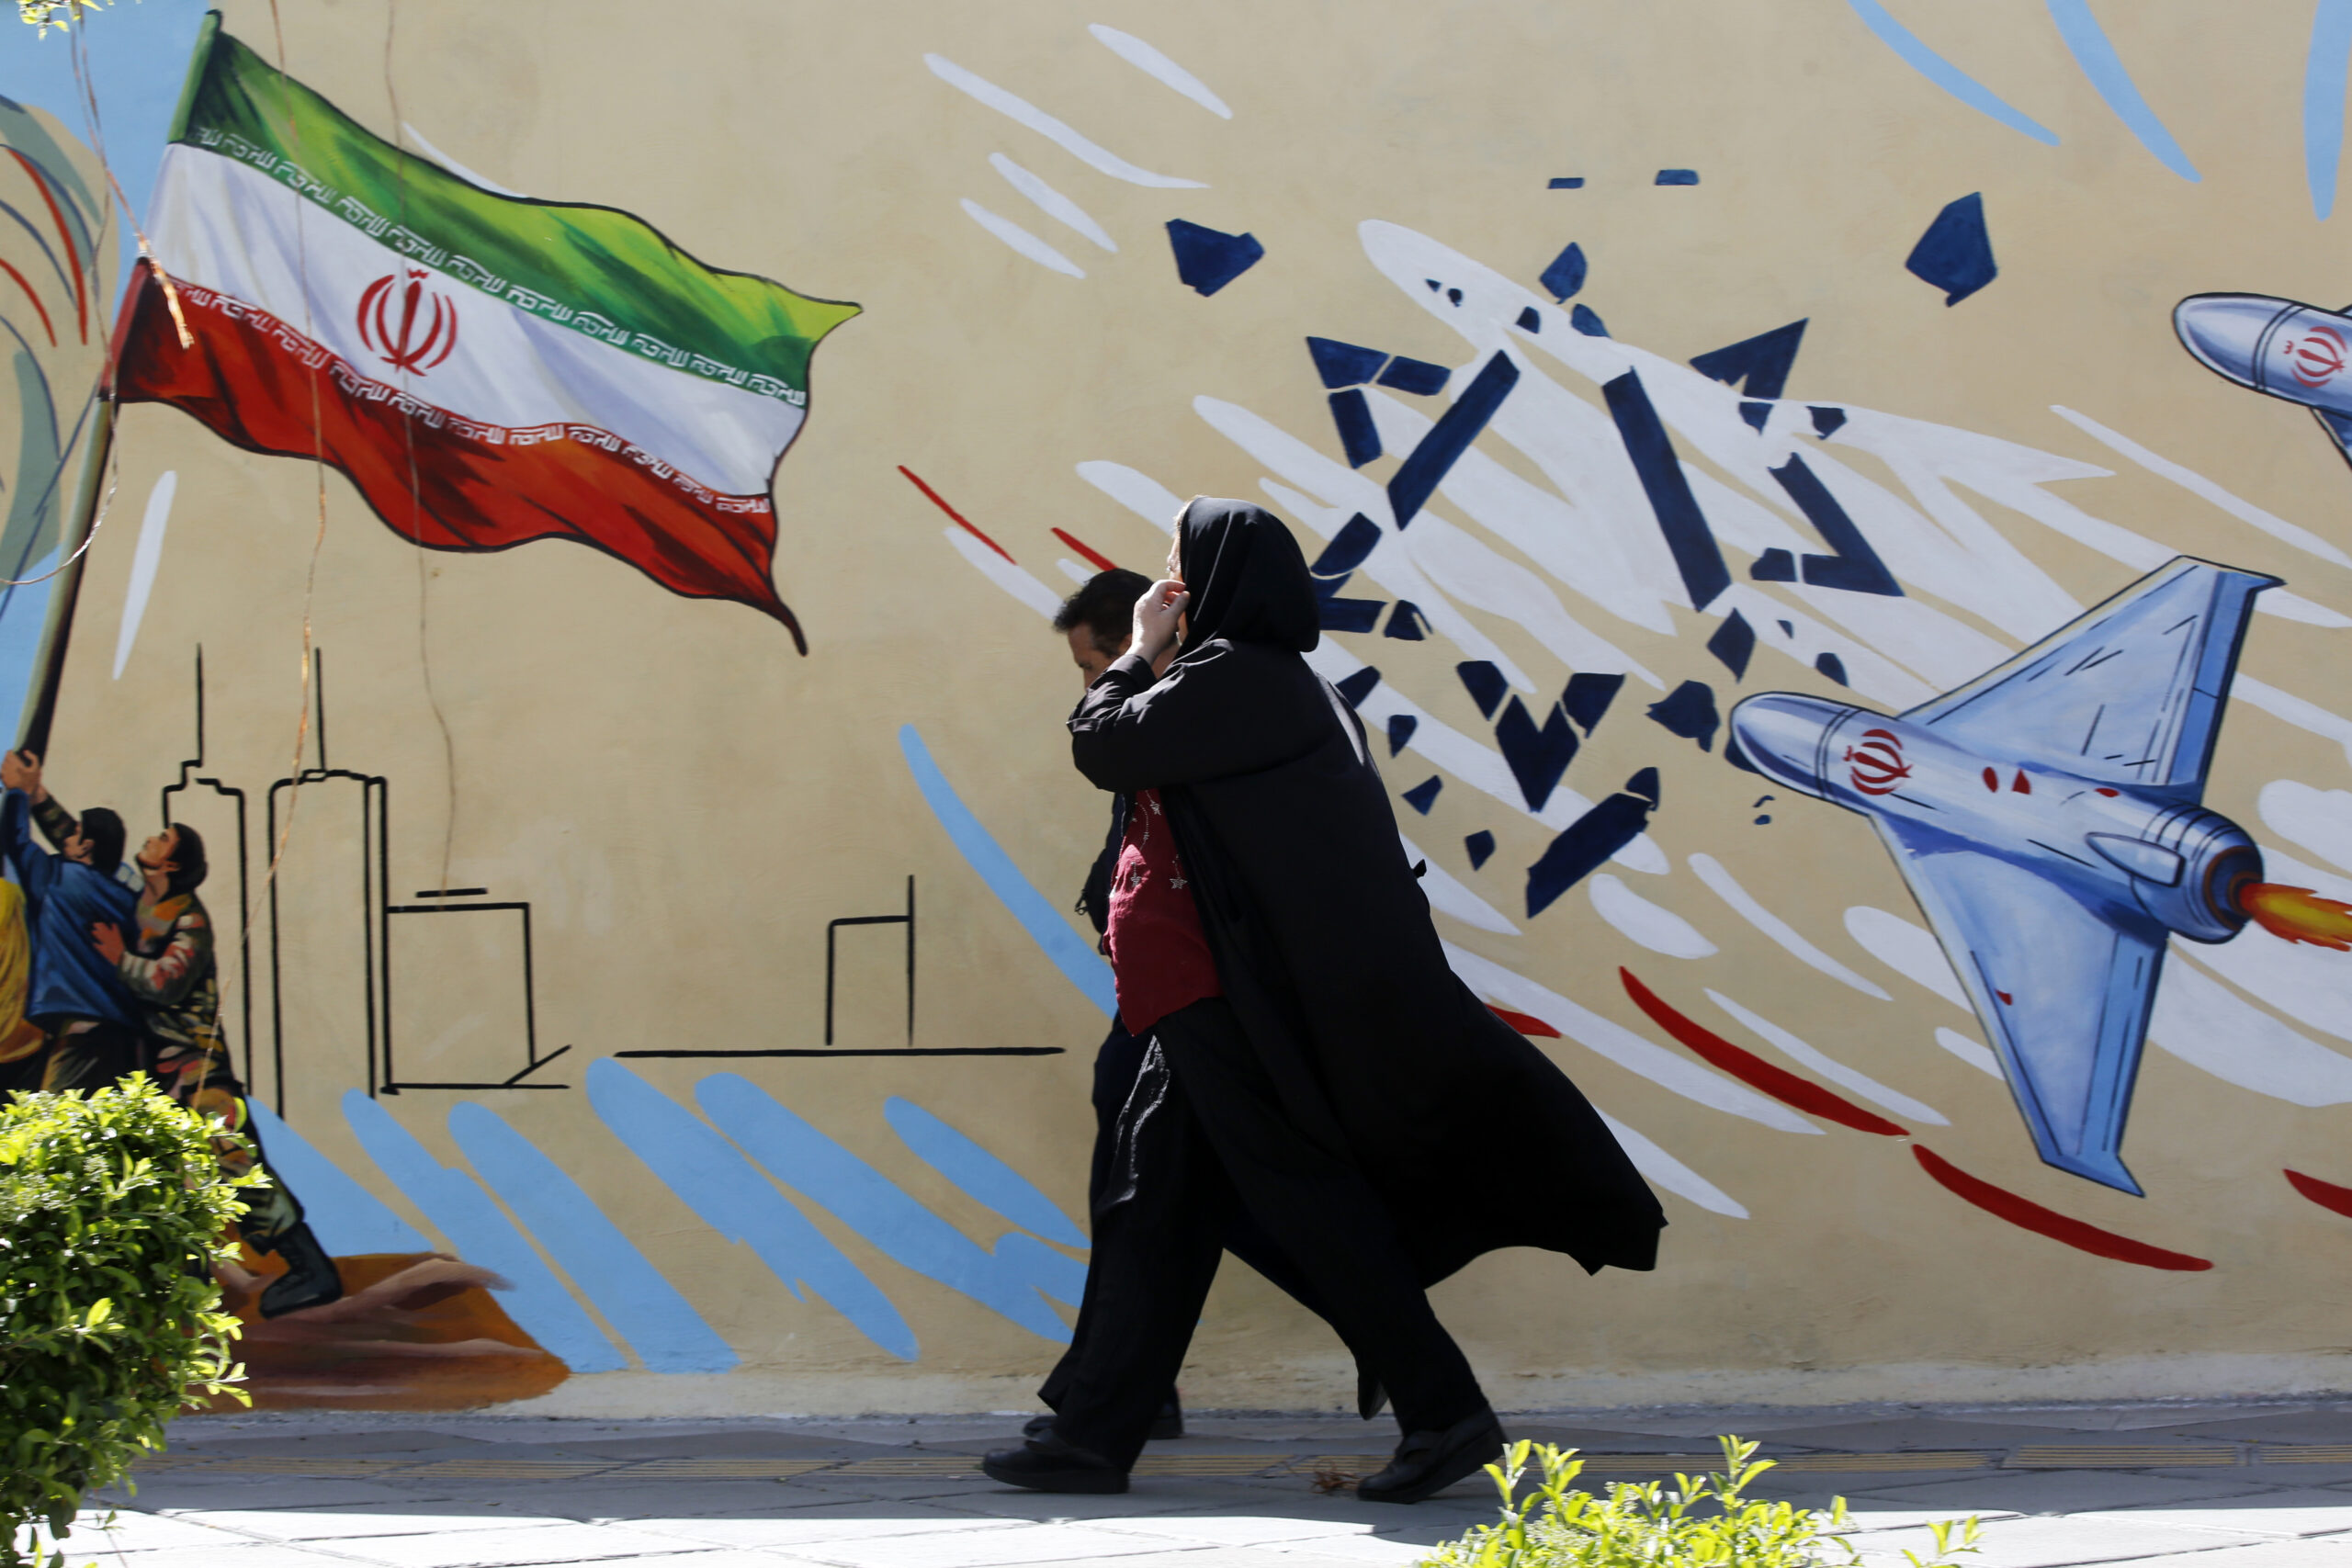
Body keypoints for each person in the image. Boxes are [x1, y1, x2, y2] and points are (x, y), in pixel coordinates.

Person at [984, 499, 1665, 1504]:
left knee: (1299, 1200)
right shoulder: (1247, 682)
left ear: (1220, 580)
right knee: (1154, 1201)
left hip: (1226, 999)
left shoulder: (1242, 676)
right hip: (1194, 995)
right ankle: (1094, 1432)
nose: (1166, 584)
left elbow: (1104, 745)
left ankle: (1443, 1409)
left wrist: (1136, 648)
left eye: (1179, 565)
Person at [1036, 570, 1384, 1445]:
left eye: (1093, 664)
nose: (1090, 684)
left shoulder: (1197, 709)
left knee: (1161, 1188)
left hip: (1200, 997)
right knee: (1159, 1188)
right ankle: (1120, 1385)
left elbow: (1110, 758)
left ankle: (1387, 1327)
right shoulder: (1191, 710)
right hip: (1167, 991)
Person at [12, 752, 344, 1317]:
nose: (151, 838)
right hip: (161, 1067)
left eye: (162, 838)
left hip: (196, 1065)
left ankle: (310, 1268)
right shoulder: (141, 899)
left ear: (171, 862)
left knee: (232, 1161)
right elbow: (76, 840)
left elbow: (166, 982)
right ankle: (180, 1286)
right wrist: (36, 793)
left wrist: (118, 959)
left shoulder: (188, 918)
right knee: (170, 1174)